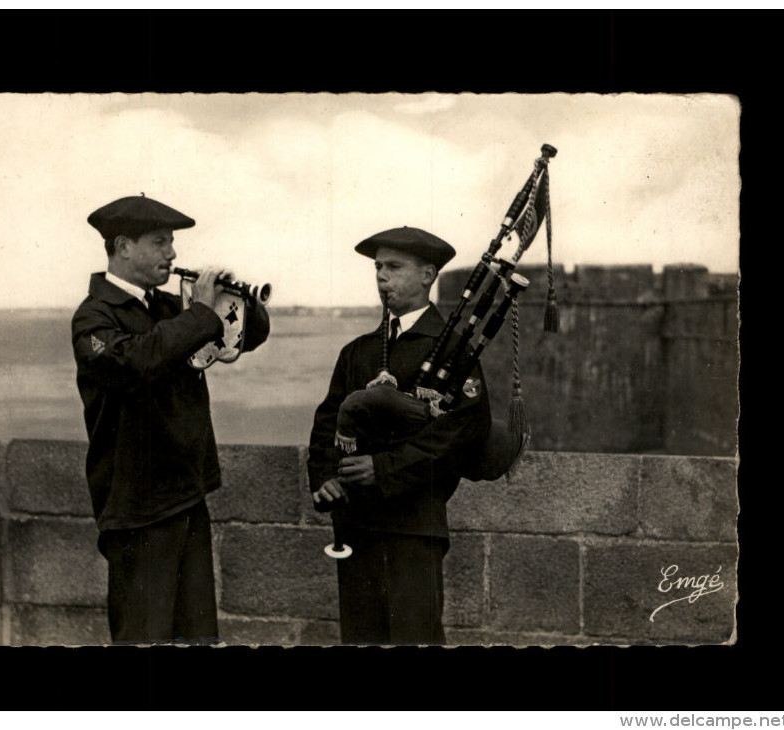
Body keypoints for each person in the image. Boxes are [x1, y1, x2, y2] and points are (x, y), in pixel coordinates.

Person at [71, 194, 270, 644]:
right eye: (160, 242)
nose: (173, 254)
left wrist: (237, 302)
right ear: (123, 246)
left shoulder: (166, 308)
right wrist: (200, 312)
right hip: (137, 509)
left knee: (197, 636)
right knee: (144, 637)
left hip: (185, 493)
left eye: (172, 243)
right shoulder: (93, 318)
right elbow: (138, 362)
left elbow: (243, 339)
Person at [307, 226, 491, 645]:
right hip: (355, 524)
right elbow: (327, 424)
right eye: (378, 267)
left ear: (428, 275)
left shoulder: (454, 351)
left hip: (414, 527)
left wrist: (382, 468)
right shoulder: (358, 351)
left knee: (415, 637)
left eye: (394, 267)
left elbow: (463, 432)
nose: (381, 277)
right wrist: (324, 478)